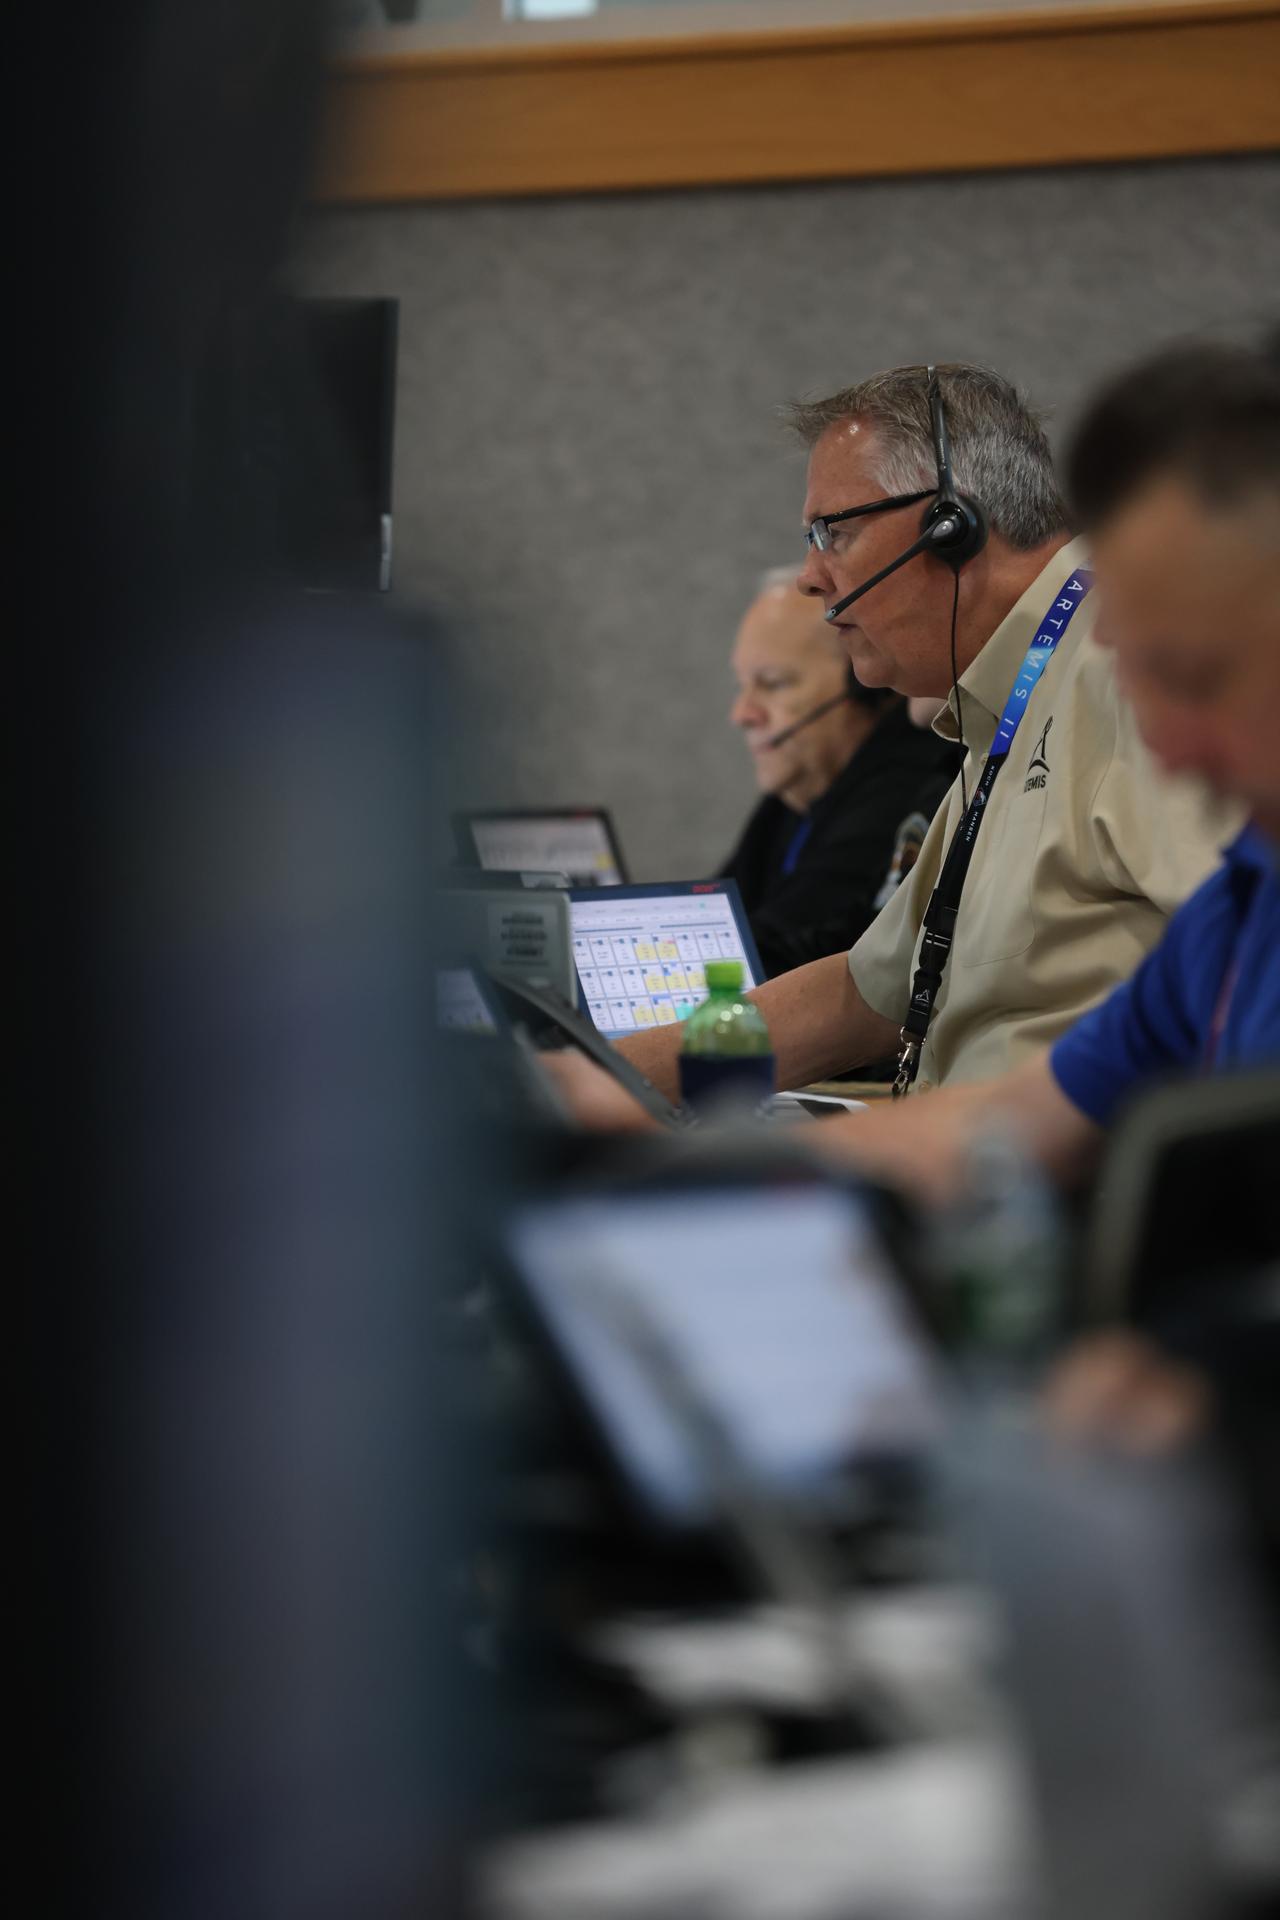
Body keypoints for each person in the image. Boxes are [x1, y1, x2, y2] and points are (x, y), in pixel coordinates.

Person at [552, 362, 1238, 1117]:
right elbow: (864, 993)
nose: (812, 578)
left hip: (1057, 1190)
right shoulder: (1008, 700)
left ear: (952, 527)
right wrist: (588, 1079)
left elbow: (1242, 969)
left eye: (833, 533)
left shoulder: (1121, 666)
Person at [806, 340, 1280, 1205]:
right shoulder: (1242, 905)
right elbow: (1028, 1118)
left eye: (1201, 676)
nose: (1168, 748)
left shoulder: (1094, 687)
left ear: (951, 526)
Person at [722, 566, 959, 976]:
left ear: (864, 681)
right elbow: (719, 919)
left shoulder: (907, 784)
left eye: (773, 684)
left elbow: (785, 954)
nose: (741, 714)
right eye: (743, 685)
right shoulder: (798, 794)